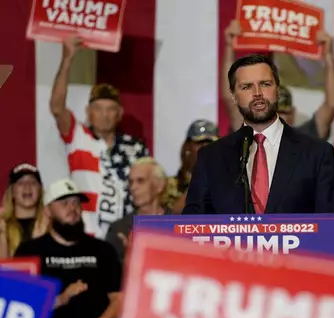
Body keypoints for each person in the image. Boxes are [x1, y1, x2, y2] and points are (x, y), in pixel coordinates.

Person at [183, 54, 334, 214]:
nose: (257, 93)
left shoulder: (317, 154)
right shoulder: (211, 158)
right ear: (233, 96)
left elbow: (332, 227)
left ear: (278, 89)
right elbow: (193, 227)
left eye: (265, 84)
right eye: (246, 87)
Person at [49, 35, 149, 239]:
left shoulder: (135, 147)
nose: (104, 115)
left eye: (110, 109)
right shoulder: (78, 137)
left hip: (125, 238)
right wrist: (67, 59)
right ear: (88, 112)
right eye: (98, 109)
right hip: (87, 237)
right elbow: (57, 108)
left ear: (120, 114)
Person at [15, 179, 122, 318]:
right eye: (64, 203)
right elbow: (21, 307)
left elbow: (119, 300)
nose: (72, 208)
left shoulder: (103, 250)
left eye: (76, 202)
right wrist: (60, 299)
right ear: (48, 210)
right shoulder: (29, 252)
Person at [222, 20, 334, 140]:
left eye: (285, 113)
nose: (280, 117)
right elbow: (230, 98)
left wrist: (328, 56)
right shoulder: (249, 135)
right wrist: (229, 46)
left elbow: (332, 104)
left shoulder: (305, 137)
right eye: (277, 112)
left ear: (293, 114)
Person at [106, 158, 171, 262]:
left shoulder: (181, 226)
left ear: (159, 185)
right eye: (131, 182)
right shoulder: (119, 230)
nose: (133, 187)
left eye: (140, 181)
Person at [170, 120, 219, 214]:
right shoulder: (171, 185)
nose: (205, 146)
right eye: (199, 142)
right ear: (188, 146)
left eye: (210, 142)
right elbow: (171, 214)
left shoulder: (226, 180)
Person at [0, 164, 49, 257]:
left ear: (40, 190)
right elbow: (3, 269)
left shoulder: (52, 226)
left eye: (33, 182)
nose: (27, 186)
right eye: (21, 183)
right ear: (12, 192)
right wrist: (2, 236)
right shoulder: (2, 226)